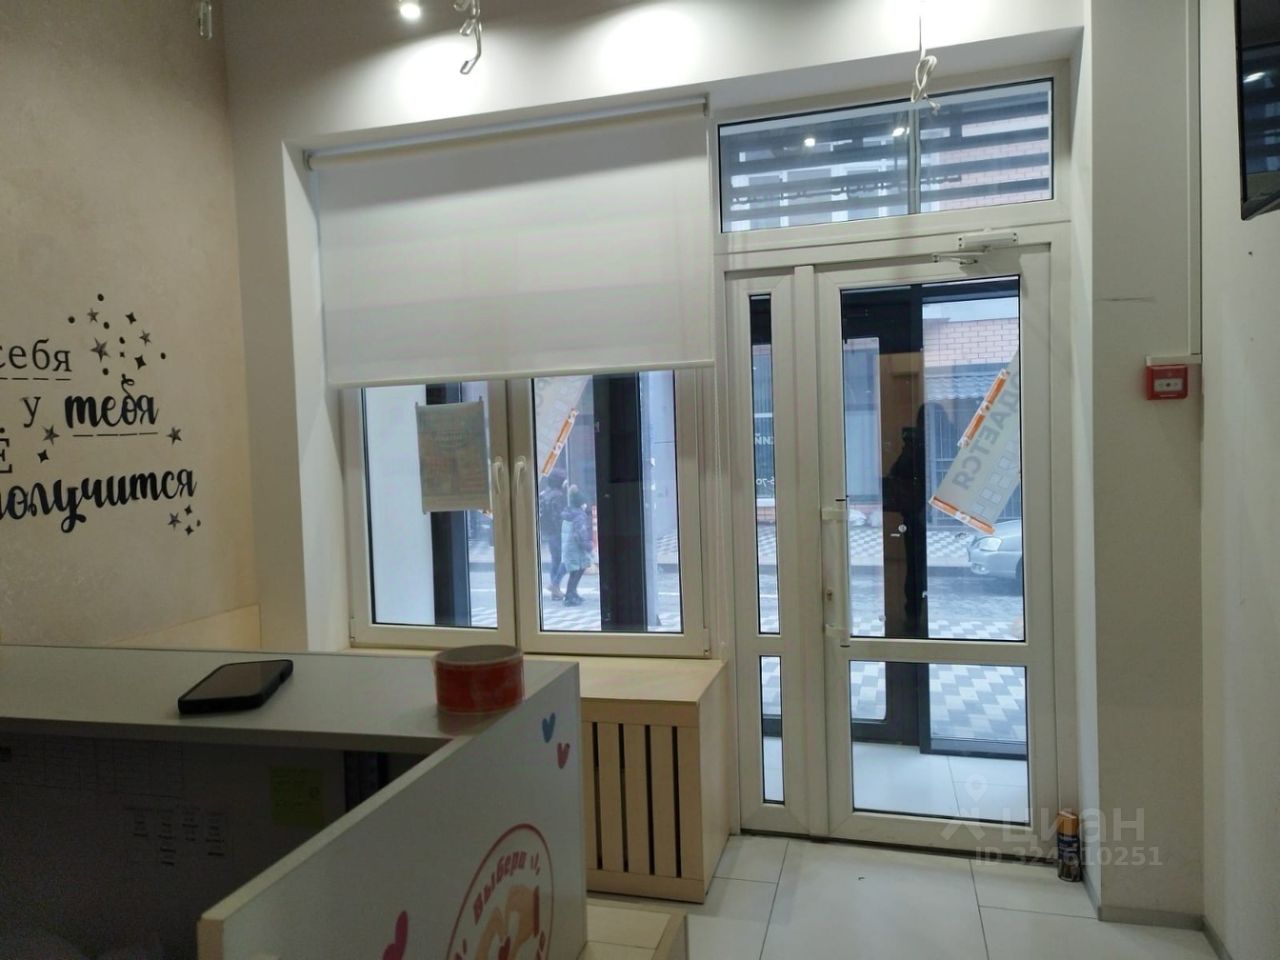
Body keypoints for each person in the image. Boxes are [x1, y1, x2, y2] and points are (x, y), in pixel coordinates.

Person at [560, 489, 594, 607]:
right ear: (581, 503)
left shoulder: (568, 513)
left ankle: (572, 593)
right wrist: (588, 546)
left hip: (570, 546)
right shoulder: (579, 515)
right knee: (577, 571)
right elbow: (581, 533)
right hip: (577, 548)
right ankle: (570, 595)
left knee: (576, 571)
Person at [537, 467, 567, 600]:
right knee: (567, 560)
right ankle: (555, 584)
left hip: (549, 532)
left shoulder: (544, 493)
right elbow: (559, 516)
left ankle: (555, 592)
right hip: (558, 532)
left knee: (555, 560)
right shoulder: (558, 496)